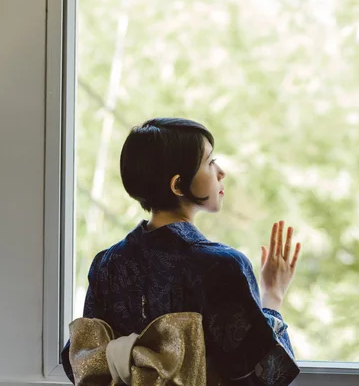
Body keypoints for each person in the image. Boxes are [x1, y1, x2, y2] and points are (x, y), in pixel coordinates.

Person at [61, 118, 302, 385]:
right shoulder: (223, 266)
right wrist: (273, 295)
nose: (221, 172)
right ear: (178, 185)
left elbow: (86, 362)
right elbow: (262, 375)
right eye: (210, 162)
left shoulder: (106, 263)